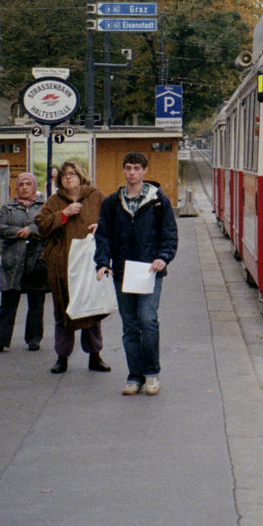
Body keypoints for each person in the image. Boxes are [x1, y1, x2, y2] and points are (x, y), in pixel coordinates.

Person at [95, 151, 178, 397]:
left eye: (136, 168)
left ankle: (151, 374)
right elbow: (103, 235)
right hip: (122, 271)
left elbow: (169, 234)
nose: (132, 172)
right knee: (130, 325)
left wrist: (163, 257)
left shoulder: (158, 201)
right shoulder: (112, 202)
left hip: (149, 272)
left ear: (144, 171)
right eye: (128, 168)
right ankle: (134, 376)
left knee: (147, 320)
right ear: (124, 170)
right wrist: (102, 262)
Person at [35, 161, 110, 374]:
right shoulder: (55, 200)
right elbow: (41, 224)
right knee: (64, 310)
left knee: (92, 309)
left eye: (72, 174)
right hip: (63, 265)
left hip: (89, 263)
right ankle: (62, 357)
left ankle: (95, 355)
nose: (68, 177)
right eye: (64, 175)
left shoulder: (96, 196)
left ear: (80, 176)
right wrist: (64, 214)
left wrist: (101, 227)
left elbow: (112, 220)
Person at [0, 173, 47, 353]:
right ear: (16, 188)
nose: (24, 187)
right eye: (21, 184)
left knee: (36, 302)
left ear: (34, 186)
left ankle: (34, 338)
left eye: (28, 184)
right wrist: (19, 232)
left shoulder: (43, 206)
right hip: (13, 261)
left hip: (35, 261)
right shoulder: (8, 207)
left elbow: (47, 225)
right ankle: (1, 339)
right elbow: (0, 228)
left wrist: (30, 230)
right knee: (8, 300)